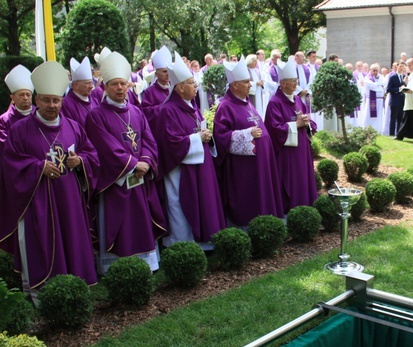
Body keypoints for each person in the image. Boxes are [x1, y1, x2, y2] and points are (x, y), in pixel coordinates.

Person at [0, 61, 99, 297]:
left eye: (56, 100)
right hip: (38, 202)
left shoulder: (73, 126)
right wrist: (38, 167)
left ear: (62, 101)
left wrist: (80, 161)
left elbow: (91, 154)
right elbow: (11, 164)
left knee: (72, 241)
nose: (52, 105)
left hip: (70, 198)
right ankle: (44, 293)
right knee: (44, 243)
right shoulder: (19, 130)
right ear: (36, 100)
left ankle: (76, 288)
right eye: (46, 100)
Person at [85, 51, 167, 274]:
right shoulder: (96, 115)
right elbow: (105, 147)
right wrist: (133, 164)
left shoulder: (136, 112)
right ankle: (115, 267)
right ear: (105, 87)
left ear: (129, 86)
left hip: (140, 179)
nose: (120, 88)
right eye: (114, 84)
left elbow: (149, 140)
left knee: (141, 221)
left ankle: (147, 263)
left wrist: (146, 162)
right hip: (115, 182)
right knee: (119, 224)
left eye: (123, 84)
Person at [154, 53, 225, 249]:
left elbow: (197, 129)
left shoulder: (191, 106)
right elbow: (169, 143)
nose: (196, 87)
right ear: (179, 87)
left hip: (198, 165)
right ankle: (181, 245)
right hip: (178, 169)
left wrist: (207, 137)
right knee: (178, 204)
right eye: (191, 83)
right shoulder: (167, 110)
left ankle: (203, 242)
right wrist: (197, 138)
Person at [213, 56, 283, 228]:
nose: (250, 84)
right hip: (242, 169)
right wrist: (247, 134)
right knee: (249, 200)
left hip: (260, 166)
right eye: (246, 82)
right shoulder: (225, 106)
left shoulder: (246, 103)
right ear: (234, 85)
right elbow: (221, 138)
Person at [265, 57, 318, 213]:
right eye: (292, 81)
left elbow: (308, 121)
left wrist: (308, 123)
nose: (296, 84)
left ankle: (306, 210)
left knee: (303, 180)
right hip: (287, 154)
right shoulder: (275, 103)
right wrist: (297, 125)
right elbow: (274, 129)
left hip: (302, 150)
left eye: (296, 80)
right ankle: (292, 212)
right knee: (291, 182)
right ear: (282, 84)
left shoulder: (297, 100)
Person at [0, 65, 35, 160]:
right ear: (12, 98)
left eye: (28, 95)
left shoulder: (40, 115)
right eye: (21, 95)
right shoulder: (4, 120)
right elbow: (5, 145)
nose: (25, 98)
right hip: (15, 163)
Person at [140, 45, 172, 132]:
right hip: (159, 131)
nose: (168, 74)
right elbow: (146, 112)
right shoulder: (149, 92)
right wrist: (164, 107)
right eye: (164, 71)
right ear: (156, 74)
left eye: (169, 71)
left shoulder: (175, 88)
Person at [61, 57, 97, 126]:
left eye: (91, 83)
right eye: (87, 83)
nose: (91, 86)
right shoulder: (66, 104)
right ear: (76, 85)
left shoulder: (94, 100)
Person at [360, 64, 386, 133]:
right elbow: (370, 85)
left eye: (377, 70)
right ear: (370, 70)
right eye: (374, 70)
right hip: (372, 100)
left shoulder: (381, 77)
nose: (375, 72)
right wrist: (378, 84)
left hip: (380, 100)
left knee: (379, 116)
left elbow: (384, 84)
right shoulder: (367, 78)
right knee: (370, 116)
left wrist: (376, 85)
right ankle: (368, 130)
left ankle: (378, 130)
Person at [385, 61, 406, 136]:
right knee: (393, 118)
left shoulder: (404, 76)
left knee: (400, 118)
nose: (401, 68)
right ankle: (391, 134)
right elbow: (389, 89)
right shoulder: (392, 76)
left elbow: (404, 87)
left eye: (403, 66)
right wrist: (399, 89)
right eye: (400, 66)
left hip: (402, 100)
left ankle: (399, 133)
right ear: (396, 67)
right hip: (394, 100)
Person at [246, 54, 267, 119]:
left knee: (259, 110)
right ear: (250, 61)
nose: (256, 62)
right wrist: (255, 84)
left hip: (259, 93)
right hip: (252, 94)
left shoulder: (257, 71)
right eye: (254, 61)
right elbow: (246, 83)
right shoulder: (246, 70)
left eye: (256, 61)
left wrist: (262, 83)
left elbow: (262, 80)